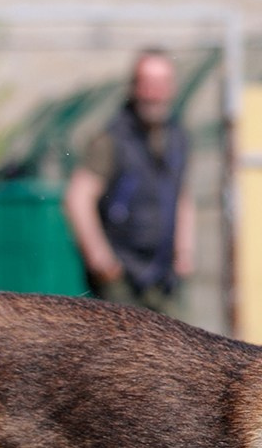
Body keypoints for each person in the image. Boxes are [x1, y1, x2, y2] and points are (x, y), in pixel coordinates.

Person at [64, 47, 195, 311]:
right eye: (148, 83)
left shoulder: (177, 138)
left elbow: (181, 195)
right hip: (122, 280)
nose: (155, 93)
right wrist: (100, 258)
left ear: (172, 88)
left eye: (161, 83)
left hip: (164, 276)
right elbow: (78, 198)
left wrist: (185, 250)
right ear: (134, 87)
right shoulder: (112, 139)